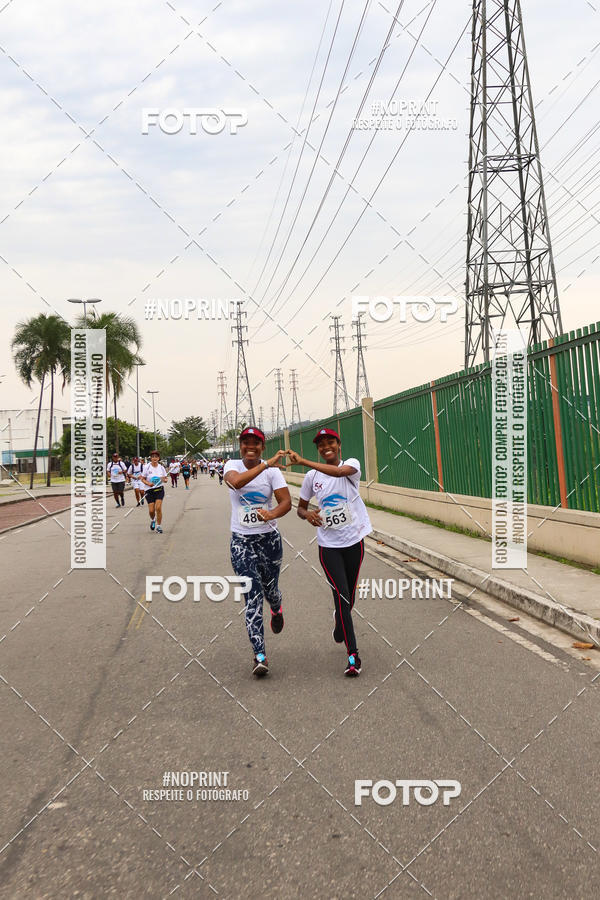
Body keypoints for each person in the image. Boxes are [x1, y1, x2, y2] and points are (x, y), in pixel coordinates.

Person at [291, 428, 372, 677]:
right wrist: (308, 515)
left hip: (353, 541)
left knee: (350, 596)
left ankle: (340, 621)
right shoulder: (311, 477)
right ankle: (353, 655)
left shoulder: (352, 465)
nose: (326, 447)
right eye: (321, 444)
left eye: (330, 442)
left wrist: (303, 461)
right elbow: (300, 508)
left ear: (339, 444)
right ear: (318, 449)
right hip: (329, 546)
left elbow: (337, 472)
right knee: (343, 597)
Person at [224, 427, 291, 677]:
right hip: (241, 541)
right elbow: (236, 482)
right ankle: (259, 654)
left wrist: (271, 514)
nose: (250, 446)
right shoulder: (232, 465)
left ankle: (276, 606)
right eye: (246, 442)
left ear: (262, 447)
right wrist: (266, 465)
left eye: (256, 443)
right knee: (252, 596)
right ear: (240, 446)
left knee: (270, 590)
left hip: (269, 540)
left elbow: (286, 502)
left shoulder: (273, 472)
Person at [141, 450, 168, 533]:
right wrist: (148, 483)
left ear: (158, 458)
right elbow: (142, 479)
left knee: (158, 508)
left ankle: (159, 526)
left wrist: (164, 480)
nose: (154, 458)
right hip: (149, 491)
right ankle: (153, 519)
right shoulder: (146, 467)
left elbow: (165, 478)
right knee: (151, 510)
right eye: (153, 457)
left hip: (159, 490)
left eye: (156, 457)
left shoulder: (161, 467)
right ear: (151, 458)